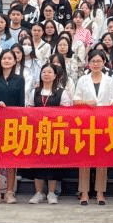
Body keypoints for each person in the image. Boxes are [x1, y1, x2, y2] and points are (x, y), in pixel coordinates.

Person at [73, 49, 113, 206]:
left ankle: (100, 192)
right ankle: (84, 192)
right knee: (84, 158)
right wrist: (87, 103)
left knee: (102, 159)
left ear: (104, 62)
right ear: (88, 63)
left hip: (103, 123)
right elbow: (75, 101)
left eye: (99, 61)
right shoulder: (82, 80)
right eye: (93, 61)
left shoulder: (109, 80)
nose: (96, 64)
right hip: (86, 123)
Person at [26, 62, 72, 204]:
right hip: (37, 132)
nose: (46, 74)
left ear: (55, 75)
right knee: (37, 162)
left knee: (53, 162)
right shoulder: (34, 92)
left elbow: (66, 113)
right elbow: (28, 110)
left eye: (49, 72)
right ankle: (39, 192)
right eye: (44, 72)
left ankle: (52, 193)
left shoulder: (62, 92)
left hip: (55, 133)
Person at [0, 48, 26, 203]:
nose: (7, 61)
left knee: (11, 159)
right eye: (4, 58)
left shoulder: (19, 79)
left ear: (15, 61)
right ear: (0, 61)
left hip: (12, 124)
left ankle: (9, 192)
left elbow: (21, 103)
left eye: (10, 58)